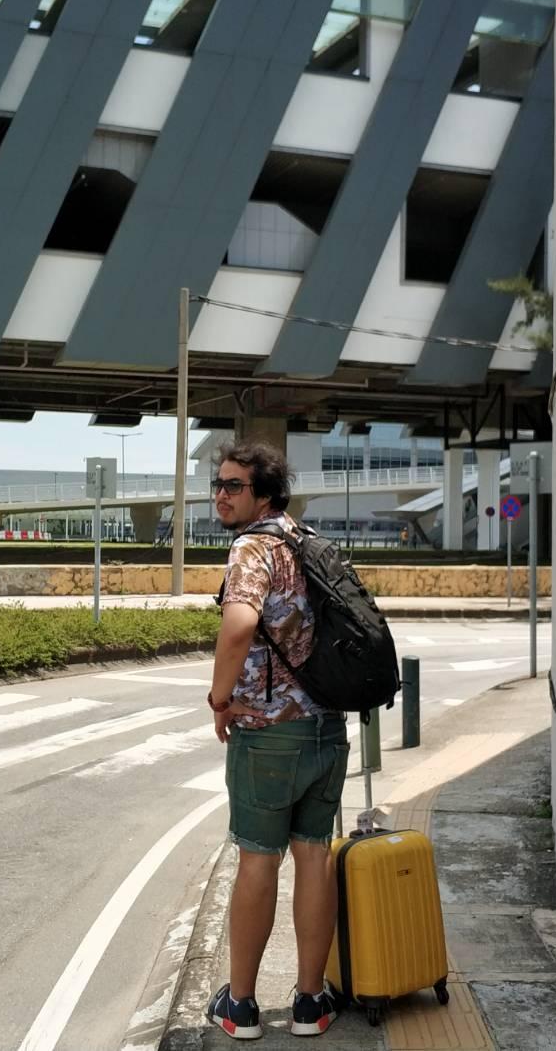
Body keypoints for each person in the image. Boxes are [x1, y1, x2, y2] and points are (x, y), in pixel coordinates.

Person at [204, 440, 347, 1040]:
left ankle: (240, 1007)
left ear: (264, 495)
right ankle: (311, 1002)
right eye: (218, 483)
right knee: (314, 855)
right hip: (326, 728)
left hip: (268, 736)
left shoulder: (253, 547)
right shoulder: (308, 542)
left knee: (259, 861)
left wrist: (220, 699)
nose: (221, 494)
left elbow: (239, 625)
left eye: (234, 486)